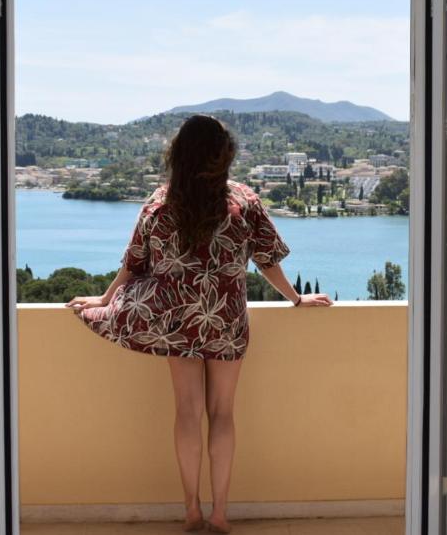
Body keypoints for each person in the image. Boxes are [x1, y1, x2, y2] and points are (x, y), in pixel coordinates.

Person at [68, 114, 333, 533]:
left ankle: (191, 510)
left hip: (176, 321)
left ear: (179, 155)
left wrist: (103, 300)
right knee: (223, 413)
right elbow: (268, 262)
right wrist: (297, 299)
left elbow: (134, 264)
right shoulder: (244, 200)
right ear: (223, 155)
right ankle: (220, 514)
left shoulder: (159, 202)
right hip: (225, 318)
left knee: (188, 412)